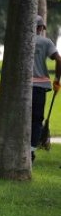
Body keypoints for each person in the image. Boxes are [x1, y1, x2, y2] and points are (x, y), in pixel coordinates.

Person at [31, 15, 61, 162]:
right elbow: (59, 59)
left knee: (25, 119)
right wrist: (57, 80)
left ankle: (24, 148)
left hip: (24, 88)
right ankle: (31, 150)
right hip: (40, 87)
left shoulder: (22, 41)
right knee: (37, 120)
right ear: (40, 28)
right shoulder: (45, 42)